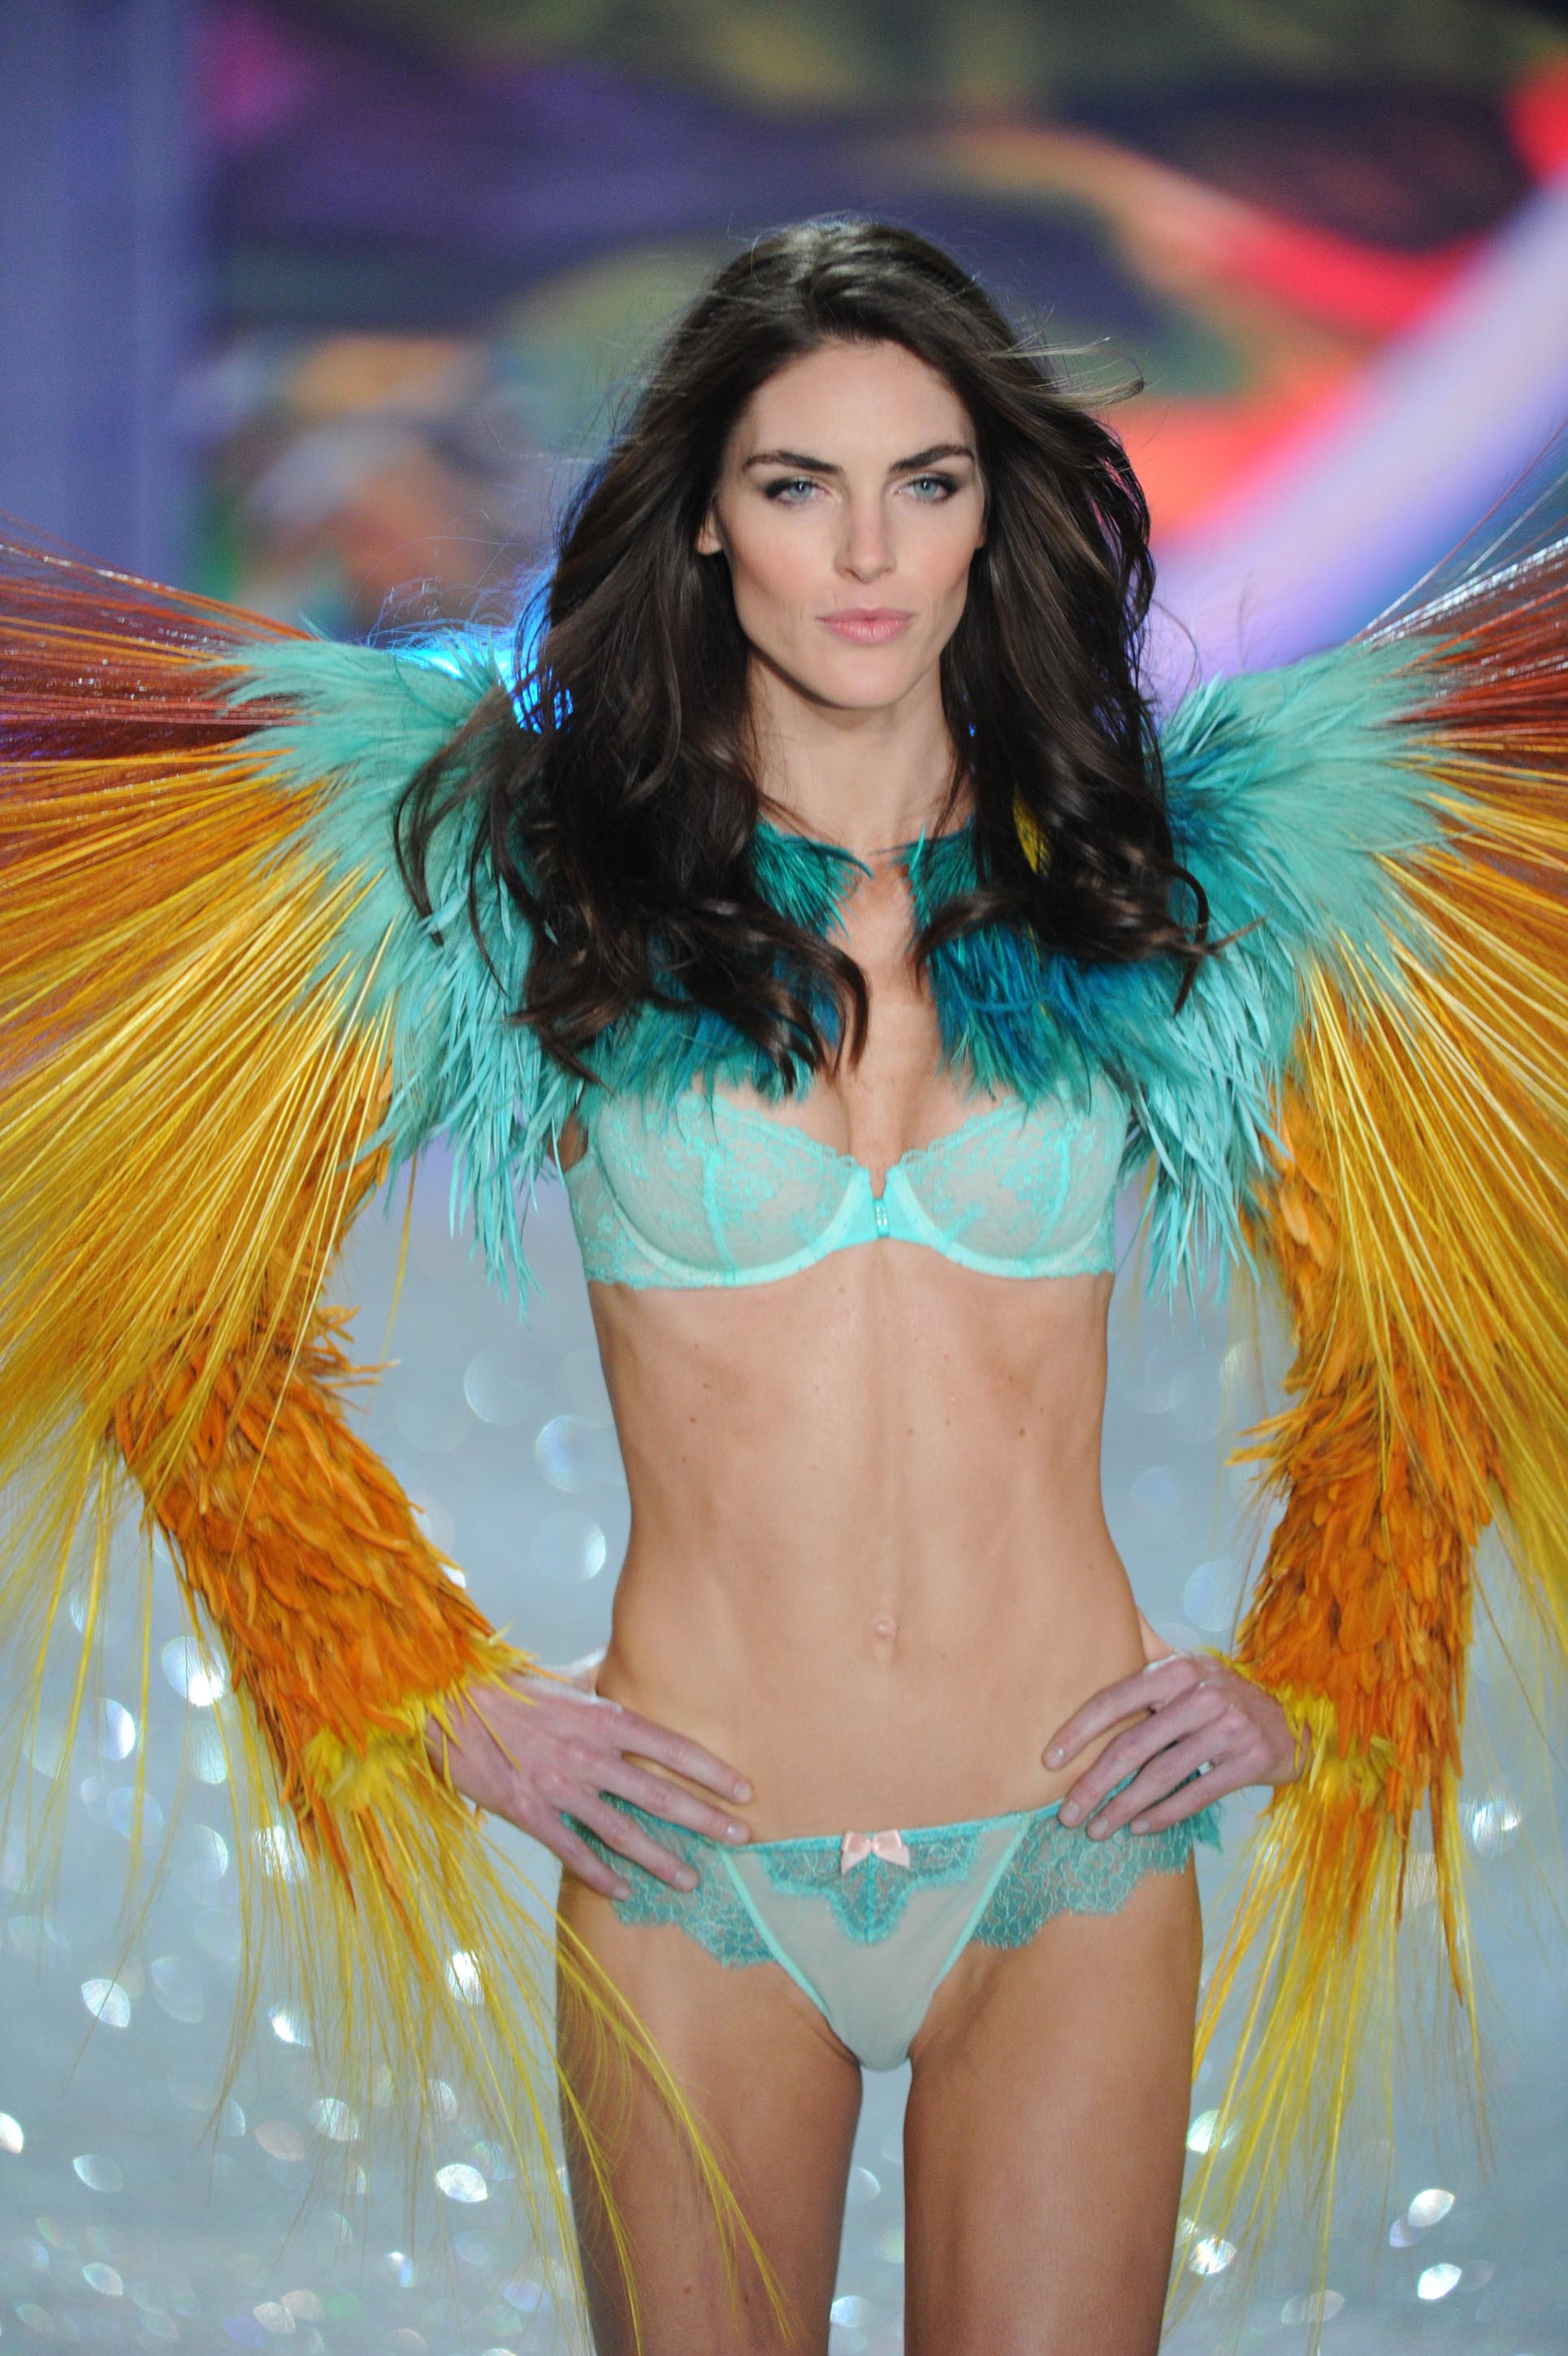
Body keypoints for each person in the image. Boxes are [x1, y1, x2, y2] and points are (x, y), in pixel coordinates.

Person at [0, 219, 1564, 2356]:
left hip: (1069, 1854)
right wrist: (413, 1682)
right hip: (696, 1870)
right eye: (798, 483)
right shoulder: (548, 898)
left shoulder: (1150, 897)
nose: (869, 553)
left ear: (994, 515)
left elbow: (1432, 1312)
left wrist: (1311, 1659)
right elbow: (182, 1308)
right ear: (707, 521)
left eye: (927, 481)